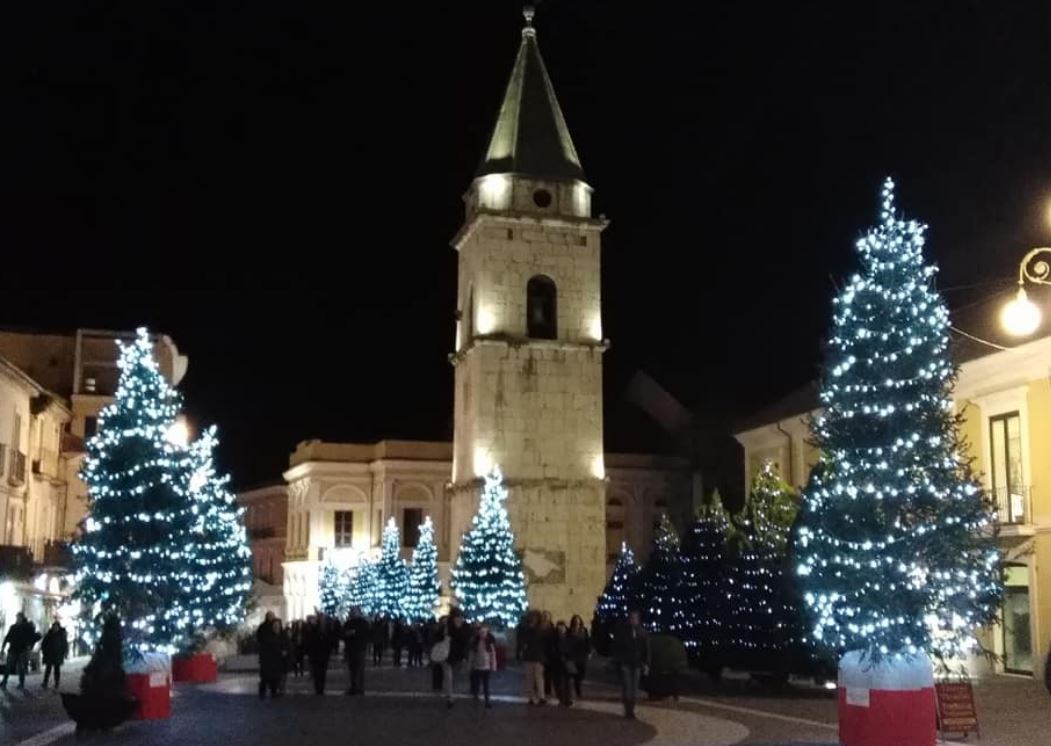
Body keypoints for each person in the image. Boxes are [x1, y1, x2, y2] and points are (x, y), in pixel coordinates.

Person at [612, 610, 650, 720]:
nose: (633, 620)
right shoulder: (622, 632)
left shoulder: (642, 633)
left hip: (637, 665)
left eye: (635, 618)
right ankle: (628, 710)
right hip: (626, 664)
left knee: (634, 689)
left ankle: (631, 710)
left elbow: (647, 650)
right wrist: (618, 660)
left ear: (638, 620)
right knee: (627, 687)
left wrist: (646, 664)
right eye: (631, 618)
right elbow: (617, 647)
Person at [437, 610, 472, 709]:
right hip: (446, 655)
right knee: (449, 676)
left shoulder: (465, 627)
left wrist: (465, 656)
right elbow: (437, 638)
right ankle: (450, 697)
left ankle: (450, 692)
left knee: (455, 677)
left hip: (458, 656)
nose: (459, 619)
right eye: (457, 617)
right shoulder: (447, 627)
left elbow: (466, 643)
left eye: (460, 617)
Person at [1, 612, 40, 691]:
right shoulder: (13, 627)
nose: (17, 619)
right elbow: (7, 637)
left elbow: (34, 636)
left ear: (22, 618)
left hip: (22, 651)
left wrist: (29, 645)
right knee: (8, 667)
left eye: (19, 618)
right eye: (17, 618)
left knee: (21, 668)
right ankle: (5, 681)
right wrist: (3, 648)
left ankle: (21, 683)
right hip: (13, 650)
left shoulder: (26, 628)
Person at [518, 610, 546, 705]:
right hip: (528, 655)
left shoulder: (541, 629)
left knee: (539, 677)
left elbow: (543, 642)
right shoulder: (524, 628)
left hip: (538, 656)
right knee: (529, 678)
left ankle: (541, 696)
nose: (533, 620)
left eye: (535, 618)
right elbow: (521, 641)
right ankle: (531, 697)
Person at [468, 622, 497, 708]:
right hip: (477, 667)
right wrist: (470, 665)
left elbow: (493, 655)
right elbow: (471, 655)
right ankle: (476, 695)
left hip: (486, 667)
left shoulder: (489, 644)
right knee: (478, 683)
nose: (482, 634)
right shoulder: (475, 643)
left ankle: (487, 700)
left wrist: (493, 665)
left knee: (486, 684)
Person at [304, 613, 334, 695]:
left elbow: (330, 640)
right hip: (316, 654)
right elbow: (310, 640)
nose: (321, 620)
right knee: (317, 672)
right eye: (320, 618)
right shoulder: (314, 628)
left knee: (323, 672)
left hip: (324, 654)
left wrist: (329, 650)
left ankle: (321, 688)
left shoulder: (327, 629)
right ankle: (318, 688)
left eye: (322, 618)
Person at [257, 613, 284, 699]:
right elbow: (262, 641)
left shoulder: (280, 632)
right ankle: (262, 693)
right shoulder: (264, 628)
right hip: (267, 659)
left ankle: (274, 692)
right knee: (265, 678)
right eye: (270, 616)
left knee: (275, 678)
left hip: (276, 660)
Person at [343, 607, 370, 695]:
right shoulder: (348, 623)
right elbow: (342, 633)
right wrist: (347, 634)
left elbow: (367, 634)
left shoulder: (363, 623)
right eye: (352, 611)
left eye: (355, 612)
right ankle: (354, 687)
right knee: (353, 669)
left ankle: (360, 688)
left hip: (360, 648)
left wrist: (355, 633)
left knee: (359, 669)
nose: (353, 613)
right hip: (351, 649)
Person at [40, 620, 69, 690]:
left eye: (56, 627)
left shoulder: (61, 635)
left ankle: (56, 683)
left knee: (57, 670)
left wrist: (64, 653)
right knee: (48, 670)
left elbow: (65, 645)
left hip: (57, 655)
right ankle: (45, 682)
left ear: (58, 627)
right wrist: (44, 651)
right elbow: (44, 644)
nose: (55, 628)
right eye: (54, 627)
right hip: (49, 655)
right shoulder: (49, 634)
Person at [568, 615, 591, 700]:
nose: (577, 622)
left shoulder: (584, 630)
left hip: (582, 655)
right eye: (575, 620)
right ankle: (578, 691)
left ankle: (578, 684)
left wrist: (589, 652)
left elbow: (587, 641)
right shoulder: (570, 631)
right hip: (574, 655)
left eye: (578, 620)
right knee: (576, 674)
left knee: (582, 673)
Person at [551, 621, 574, 706]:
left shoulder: (569, 637)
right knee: (558, 682)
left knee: (568, 682)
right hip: (557, 662)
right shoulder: (554, 638)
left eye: (562, 627)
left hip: (568, 661)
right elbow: (552, 649)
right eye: (559, 628)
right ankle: (561, 698)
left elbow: (573, 648)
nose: (561, 630)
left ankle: (568, 699)